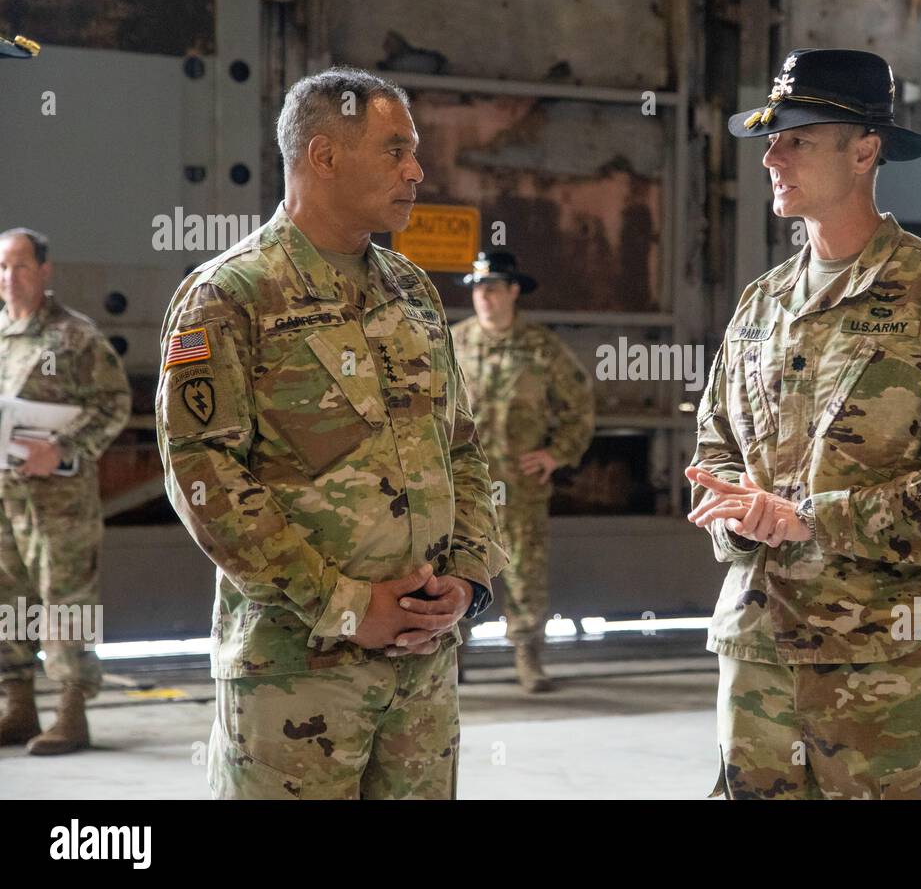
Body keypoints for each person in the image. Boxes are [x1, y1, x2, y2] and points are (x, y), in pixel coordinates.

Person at [155, 67, 506, 798]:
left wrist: (469, 581)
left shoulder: (412, 291)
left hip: (423, 669)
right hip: (298, 674)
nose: (417, 171)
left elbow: (462, 448)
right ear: (323, 156)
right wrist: (345, 606)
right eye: (395, 150)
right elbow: (203, 475)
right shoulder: (231, 295)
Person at [686, 48, 921, 799]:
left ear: (865, 150)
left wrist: (811, 520)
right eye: (771, 138)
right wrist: (739, 519)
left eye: (797, 138)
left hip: (889, 667)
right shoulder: (760, 304)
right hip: (761, 653)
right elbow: (717, 451)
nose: (771, 156)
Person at [0, 227, 131, 755]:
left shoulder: (76, 338)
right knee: (8, 599)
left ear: (46, 271)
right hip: (5, 496)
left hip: (60, 500)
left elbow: (115, 404)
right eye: (3, 268)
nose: (10, 278)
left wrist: (64, 447)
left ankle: (71, 714)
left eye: (21, 266)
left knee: (65, 603)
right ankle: (18, 706)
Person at [451, 252, 595, 691]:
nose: (484, 298)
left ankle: (528, 658)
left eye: (493, 288)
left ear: (514, 291)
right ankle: (452, 658)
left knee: (524, 572)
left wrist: (556, 454)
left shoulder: (541, 348)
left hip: (520, 486)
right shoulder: (452, 343)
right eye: (478, 289)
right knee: (455, 565)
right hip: (462, 485)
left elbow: (580, 406)